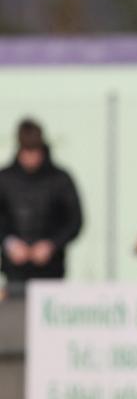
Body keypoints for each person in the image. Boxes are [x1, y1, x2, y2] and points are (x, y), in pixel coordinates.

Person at [0, 118, 82, 287]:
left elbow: (75, 220)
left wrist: (52, 245)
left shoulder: (60, 179)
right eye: (27, 151)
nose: (31, 158)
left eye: (35, 151)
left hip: (51, 271)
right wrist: (10, 243)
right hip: (15, 272)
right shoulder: (5, 179)